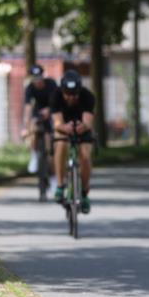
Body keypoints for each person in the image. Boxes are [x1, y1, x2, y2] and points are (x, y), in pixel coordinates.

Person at [51, 70, 95, 213]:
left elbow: (88, 122)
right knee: (61, 144)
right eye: (67, 95)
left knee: (85, 155)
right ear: (62, 91)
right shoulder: (55, 96)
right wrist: (65, 127)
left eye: (74, 95)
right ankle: (60, 185)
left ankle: (84, 192)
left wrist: (83, 126)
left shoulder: (87, 96)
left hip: (82, 127)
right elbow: (57, 123)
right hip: (64, 127)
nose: (71, 98)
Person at [21, 65, 57, 173]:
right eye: (35, 78)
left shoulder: (51, 84)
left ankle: (51, 158)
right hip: (38, 112)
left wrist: (49, 110)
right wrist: (26, 127)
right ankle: (34, 155)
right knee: (33, 127)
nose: (37, 81)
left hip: (53, 110)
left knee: (50, 136)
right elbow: (27, 108)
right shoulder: (30, 88)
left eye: (39, 77)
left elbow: (58, 101)